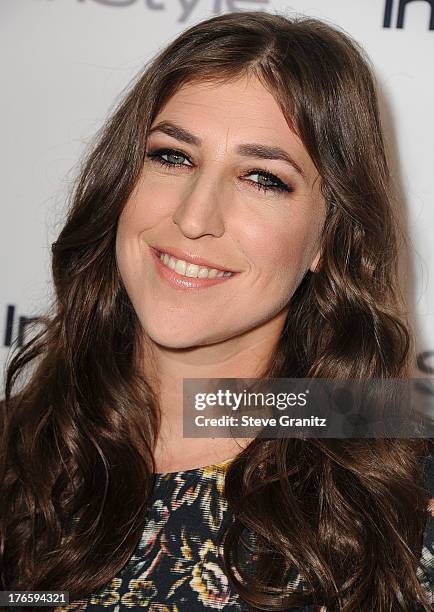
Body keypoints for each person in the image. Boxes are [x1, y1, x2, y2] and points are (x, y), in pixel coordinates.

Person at [0, 10, 433, 612]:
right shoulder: (19, 448)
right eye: (172, 157)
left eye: (262, 178)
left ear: (328, 239)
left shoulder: (401, 497)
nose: (194, 218)